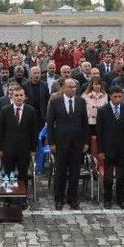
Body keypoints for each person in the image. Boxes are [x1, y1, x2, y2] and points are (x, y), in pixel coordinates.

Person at [47, 78, 89, 210]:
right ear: (63, 88)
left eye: (74, 87)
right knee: (60, 172)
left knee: (75, 172)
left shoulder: (81, 102)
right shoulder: (55, 102)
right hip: (61, 143)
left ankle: (73, 198)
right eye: (70, 87)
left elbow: (85, 123)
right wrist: (52, 142)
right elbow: (50, 124)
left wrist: (86, 142)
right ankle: (59, 198)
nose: (72, 89)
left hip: (77, 143)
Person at [0, 86, 38, 209]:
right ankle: (8, 198)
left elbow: (34, 132)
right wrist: (0, 149)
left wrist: (33, 149)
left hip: (24, 149)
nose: (19, 98)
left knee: (23, 175)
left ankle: (22, 198)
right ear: (12, 97)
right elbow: (0, 131)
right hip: (8, 149)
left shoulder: (30, 110)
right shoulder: (5, 110)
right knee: (8, 174)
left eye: (21, 95)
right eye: (16, 95)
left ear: (24, 97)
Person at [96, 86, 124, 209]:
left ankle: (120, 199)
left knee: (121, 176)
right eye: (115, 97)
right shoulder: (103, 110)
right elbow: (99, 132)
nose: (118, 99)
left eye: (120, 97)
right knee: (108, 177)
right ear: (110, 96)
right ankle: (107, 199)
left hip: (123, 149)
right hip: (108, 149)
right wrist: (100, 150)